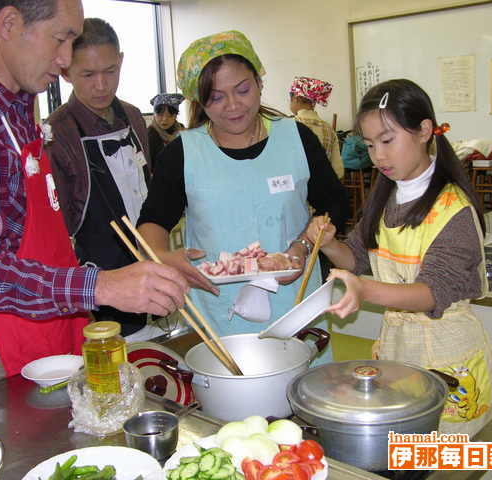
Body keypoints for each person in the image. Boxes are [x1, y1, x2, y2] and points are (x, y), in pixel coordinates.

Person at [0, 0, 187, 394]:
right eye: (61, 39)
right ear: (9, 23)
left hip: (54, 313)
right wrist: (101, 287)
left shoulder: (17, 102)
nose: (64, 60)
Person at [306, 79, 492, 434]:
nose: (378, 156)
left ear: (424, 131)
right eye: (370, 145)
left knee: (450, 462)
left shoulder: (452, 208)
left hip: (450, 355)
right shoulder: (386, 196)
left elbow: (432, 292)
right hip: (402, 351)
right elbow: (357, 257)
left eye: (388, 141)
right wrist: (327, 243)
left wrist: (365, 291)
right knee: (410, 453)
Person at [137, 30, 349, 364]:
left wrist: (304, 244)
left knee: (303, 399)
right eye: (216, 97)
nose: (233, 105)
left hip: (294, 304)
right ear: (199, 100)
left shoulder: (296, 137)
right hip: (221, 309)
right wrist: (162, 256)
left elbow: (335, 203)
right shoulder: (184, 152)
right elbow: (152, 222)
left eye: (243, 89)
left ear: (260, 82)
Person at [47, 18, 162, 340]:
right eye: (87, 74)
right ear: (66, 71)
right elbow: (59, 230)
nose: (101, 85)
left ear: (121, 61)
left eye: (110, 71)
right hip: (96, 284)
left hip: (147, 265)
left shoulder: (134, 117)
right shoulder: (58, 134)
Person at [289, 76, 343, 179]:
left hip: (297, 189)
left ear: (296, 98)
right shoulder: (329, 129)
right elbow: (338, 170)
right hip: (323, 188)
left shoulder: (290, 125)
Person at [147, 93, 185, 161]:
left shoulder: (182, 130)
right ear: (154, 114)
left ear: (176, 115)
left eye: (170, 115)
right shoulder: (150, 134)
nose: (165, 119)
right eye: (160, 114)